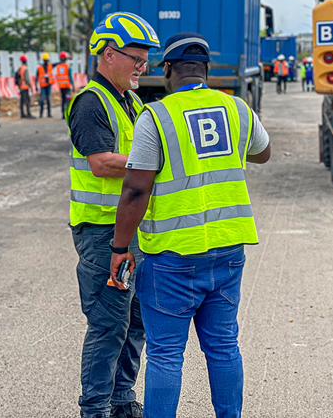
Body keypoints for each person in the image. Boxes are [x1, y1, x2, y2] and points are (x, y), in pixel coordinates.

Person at [109, 32, 271, 418]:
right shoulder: (236, 108)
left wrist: (119, 248)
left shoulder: (157, 116)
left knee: (166, 354)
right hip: (229, 251)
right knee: (223, 346)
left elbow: (135, 190)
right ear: (206, 71)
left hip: (172, 256)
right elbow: (263, 152)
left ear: (167, 70)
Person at [66, 11, 160, 418]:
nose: (143, 67)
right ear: (107, 55)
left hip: (131, 232)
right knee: (108, 326)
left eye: (145, 60)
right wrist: (155, 161)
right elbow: (101, 163)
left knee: (134, 323)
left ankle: (122, 402)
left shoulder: (132, 101)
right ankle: (96, 409)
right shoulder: (91, 103)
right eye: (135, 58)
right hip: (103, 235)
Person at [56, 51, 74, 119]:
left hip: (61, 86)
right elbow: (70, 77)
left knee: (63, 100)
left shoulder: (58, 67)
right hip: (67, 86)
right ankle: (68, 114)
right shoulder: (67, 66)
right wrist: (73, 85)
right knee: (68, 100)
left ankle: (63, 114)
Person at [16, 54, 34, 118]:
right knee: (27, 101)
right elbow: (27, 79)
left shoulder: (20, 68)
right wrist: (30, 86)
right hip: (25, 87)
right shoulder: (25, 68)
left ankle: (22, 114)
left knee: (22, 101)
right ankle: (28, 113)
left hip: (21, 86)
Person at [36, 52, 54, 118]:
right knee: (42, 100)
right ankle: (41, 113)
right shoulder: (40, 67)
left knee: (49, 99)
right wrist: (35, 86)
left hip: (48, 84)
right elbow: (37, 76)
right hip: (43, 85)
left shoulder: (50, 66)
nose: (46, 61)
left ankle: (49, 113)